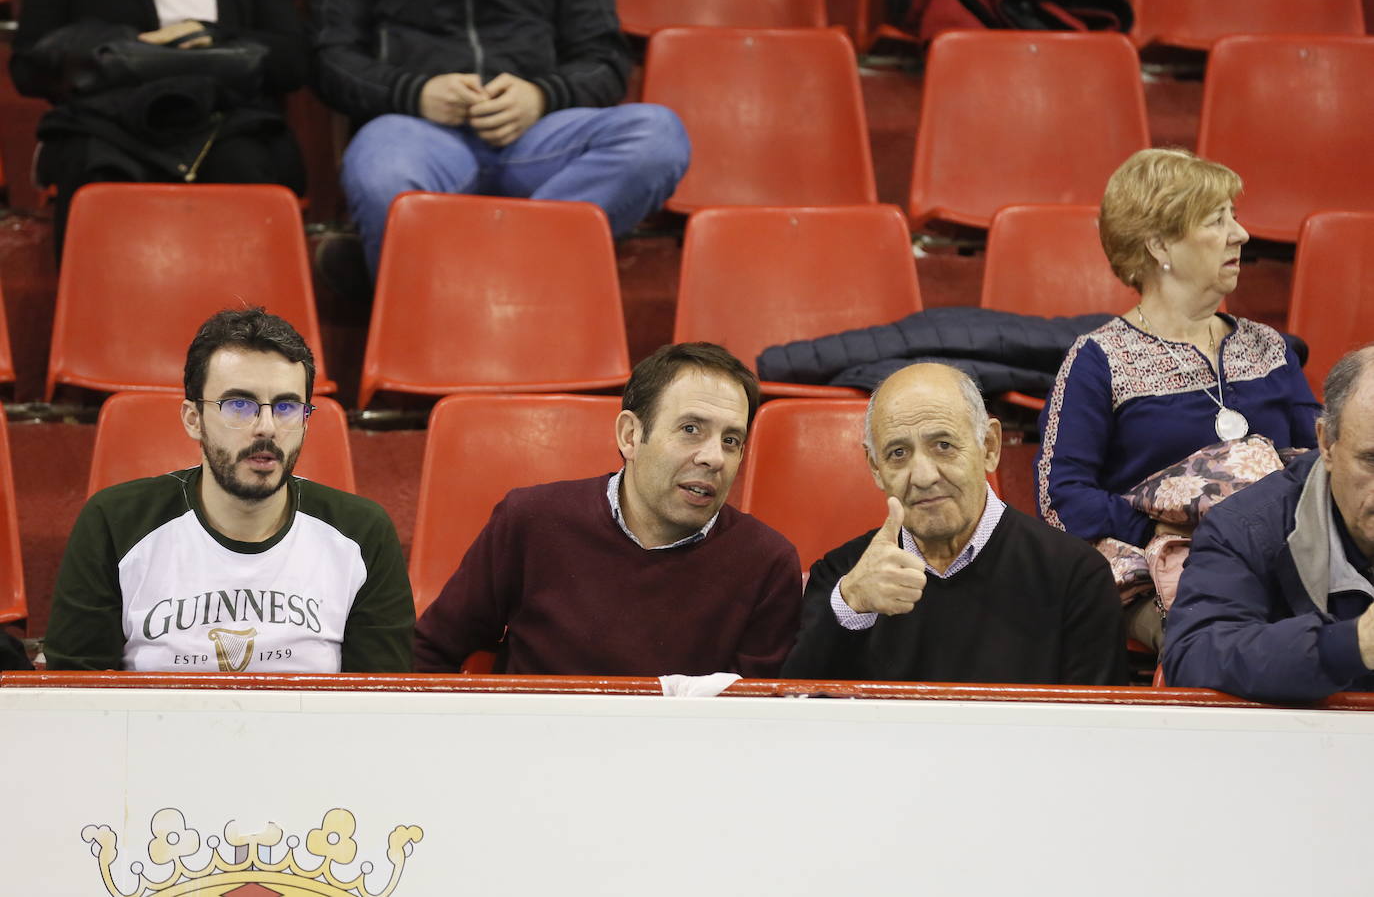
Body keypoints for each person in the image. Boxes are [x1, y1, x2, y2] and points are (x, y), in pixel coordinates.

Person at [1035, 148, 1321, 649]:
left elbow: (1322, 465)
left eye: (1235, 217)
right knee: (1226, 644)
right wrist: (1167, 525)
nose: (1241, 234)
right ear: (1159, 243)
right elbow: (1060, 497)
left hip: (1282, 556)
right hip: (1161, 575)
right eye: (1217, 220)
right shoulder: (1099, 358)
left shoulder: (1271, 348)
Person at [45, 308, 414, 672]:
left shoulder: (362, 535)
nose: (267, 427)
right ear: (194, 419)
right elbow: (75, 702)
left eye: (286, 406)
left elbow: (379, 708)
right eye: (239, 404)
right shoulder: (115, 524)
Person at [413, 343, 801, 677]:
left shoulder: (766, 563)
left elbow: (758, 718)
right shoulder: (531, 521)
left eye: (731, 440)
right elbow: (429, 652)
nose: (715, 457)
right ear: (630, 436)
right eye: (691, 429)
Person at [311, 0, 691, 277]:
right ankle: (447, 310)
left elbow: (605, 60)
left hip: (539, 135)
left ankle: (484, 282)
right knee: (381, 170)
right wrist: (414, 92)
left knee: (657, 138)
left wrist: (542, 96)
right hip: (416, 130)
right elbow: (329, 59)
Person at [783, 363, 1126, 684]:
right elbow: (792, 714)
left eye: (943, 446)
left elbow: (1094, 735)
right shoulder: (842, 577)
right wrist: (851, 605)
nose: (923, 476)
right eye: (898, 453)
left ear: (989, 447)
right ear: (875, 467)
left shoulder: (1076, 577)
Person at [9, 0, 308, 259]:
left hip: (225, 116)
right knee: (95, 173)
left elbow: (293, 63)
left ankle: (247, 315)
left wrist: (214, 37)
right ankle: (100, 314)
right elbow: (27, 67)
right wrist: (126, 48)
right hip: (106, 118)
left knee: (243, 167)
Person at [1164, 348, 1374, 701]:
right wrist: (1353, 644)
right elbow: (1194, 655)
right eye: (1372, 460)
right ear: (1325, 443)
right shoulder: (1246, 527)